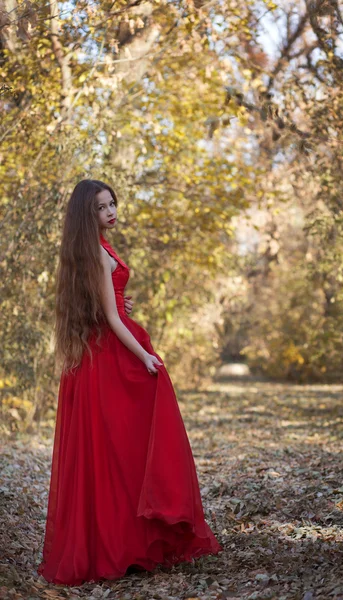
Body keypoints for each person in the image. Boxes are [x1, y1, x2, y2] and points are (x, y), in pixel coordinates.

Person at [37, 179, 223, 586]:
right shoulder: (99, 255)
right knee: (120, 449)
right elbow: (111, 320)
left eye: (112, 204)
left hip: (99, 356)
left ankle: (131, 538)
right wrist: (145, 356)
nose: (111, 212)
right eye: (102, 208)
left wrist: (121, 301)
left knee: (118, 449)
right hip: (110, 360)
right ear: (88, 215)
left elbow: (106, 304)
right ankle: (124, 543)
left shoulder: (93, 250)